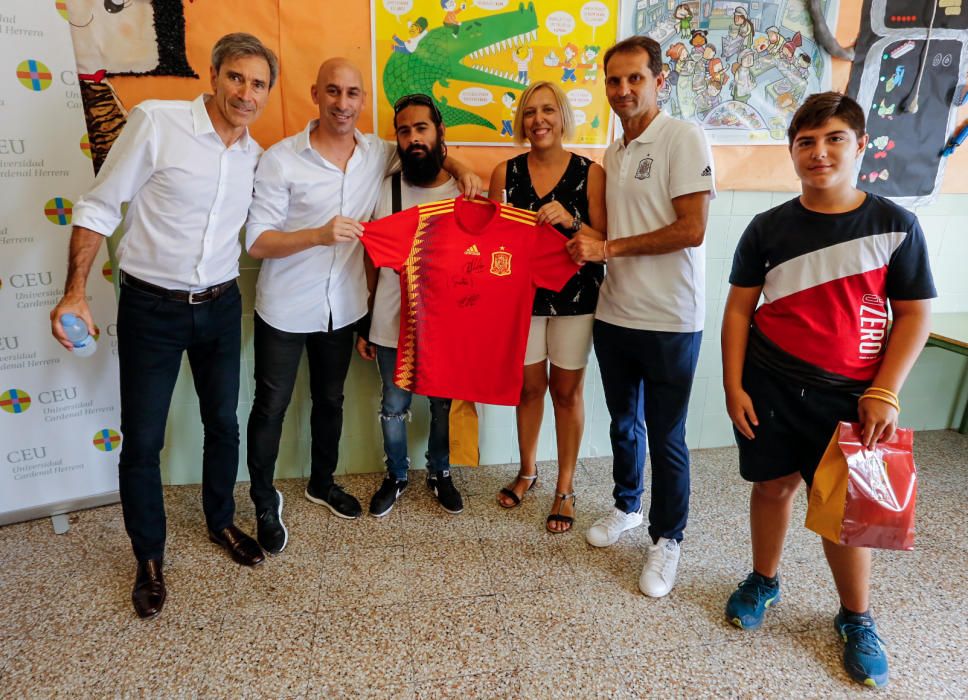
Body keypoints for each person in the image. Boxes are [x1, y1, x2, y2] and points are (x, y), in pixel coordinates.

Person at [50, 33, 279, 618]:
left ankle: (221, 522)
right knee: (144, 440)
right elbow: (100, 205)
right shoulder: (157, 122)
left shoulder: (256, 156)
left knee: (222, 423)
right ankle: (149, 557)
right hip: (151, 308)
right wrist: (75, 291)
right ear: (213, 73)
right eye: (236, 78)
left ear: (267, 94)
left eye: (257, 84)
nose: (245, 93)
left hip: (222, 307)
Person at [721, 92, 934, 689]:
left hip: (852, 397)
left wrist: (885, 391)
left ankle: (857, 617)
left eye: (835, 138)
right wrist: (733, 383)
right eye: (806, 142)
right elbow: (739, 311)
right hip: (770, 384)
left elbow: (914, 315)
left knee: (849, 515)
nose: (820, 153)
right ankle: (763, 580)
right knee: (772, 487)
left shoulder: (896, 226)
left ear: (860, 145)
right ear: (792, 151)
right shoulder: (767, 228)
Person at [244, 59, 480, 553]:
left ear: (361, 100)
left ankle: (321, 482)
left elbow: (425, 149)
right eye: (333, 92)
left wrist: (458, 164)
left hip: (343, 306)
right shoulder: (282, 158)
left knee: (331, 401)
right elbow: (257, 242)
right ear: (315, 93)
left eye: (352, 93)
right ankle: (264, 500)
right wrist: (318, 234)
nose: (342, 103)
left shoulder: (377, 151)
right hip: (285, 307)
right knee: (272, 407)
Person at [567, 36, 714, 596]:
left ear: (659, 81)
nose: (623, 90)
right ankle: (627, 505)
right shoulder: (615, 152)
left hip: (673, 319)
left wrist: (608, 251)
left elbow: (690, 229)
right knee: (623, 423)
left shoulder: (682, 137)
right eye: (614, 81)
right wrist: (574, 233)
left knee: (667, 434)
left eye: (635, 78)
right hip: (616, 315)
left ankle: (667, 537)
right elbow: (608, 234)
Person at [489, 81, 606, 533]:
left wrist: (571, 220)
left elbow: (604, 239)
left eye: (548, 111)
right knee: (529, 388)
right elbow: (496, 237)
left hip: (576, 298)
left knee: (566, 392)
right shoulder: (506, 172)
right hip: (522, 299)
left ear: (562, 118)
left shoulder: (589, 172)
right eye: (530, 112)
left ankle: (565, 486)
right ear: (521, 121)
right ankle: (527, 471)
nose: (539, 120)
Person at [356, 93, 464, 517]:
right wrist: (365, 321)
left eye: (422, 128)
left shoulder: (463, 191)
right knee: (393, 405)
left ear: (439, 133)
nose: (414, 138)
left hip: (446, 328)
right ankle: (397, 474)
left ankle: (440, 472)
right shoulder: (384, 190)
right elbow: (368, 257)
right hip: (389, 322)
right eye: (405, 131)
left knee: (441, 403)